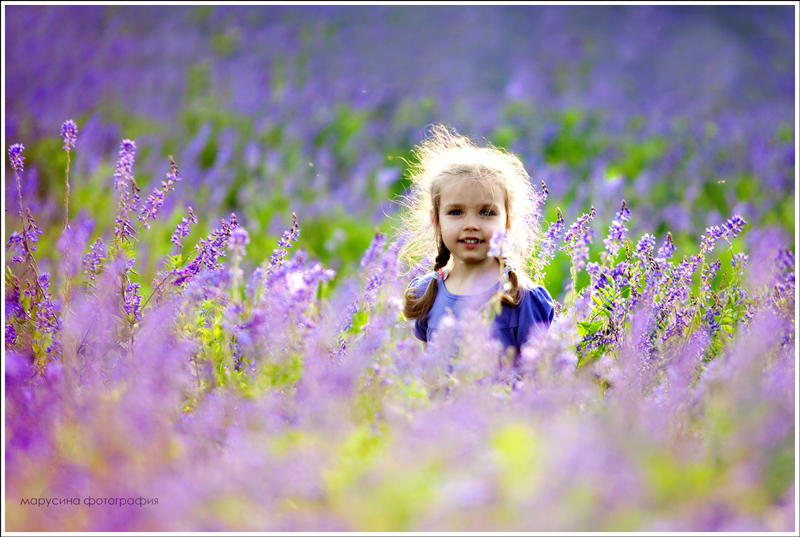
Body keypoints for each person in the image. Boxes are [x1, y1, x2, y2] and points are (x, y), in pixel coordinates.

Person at [399, 124, 554, 361]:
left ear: (508, 221)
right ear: (436, 220)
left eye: (486, 213)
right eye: (456, 212)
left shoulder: (521, 298)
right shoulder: (426, 293)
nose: (471, 224)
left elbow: (541, 376)